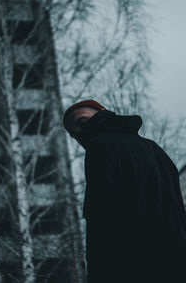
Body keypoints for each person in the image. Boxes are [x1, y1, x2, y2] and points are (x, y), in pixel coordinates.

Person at [63, 99, 186, 283]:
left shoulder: (100, 147)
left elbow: (100, 219)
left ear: (102, 112)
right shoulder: (155, 149)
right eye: (74, 134)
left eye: (82, 122)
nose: (79, 134)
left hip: (132, 269)